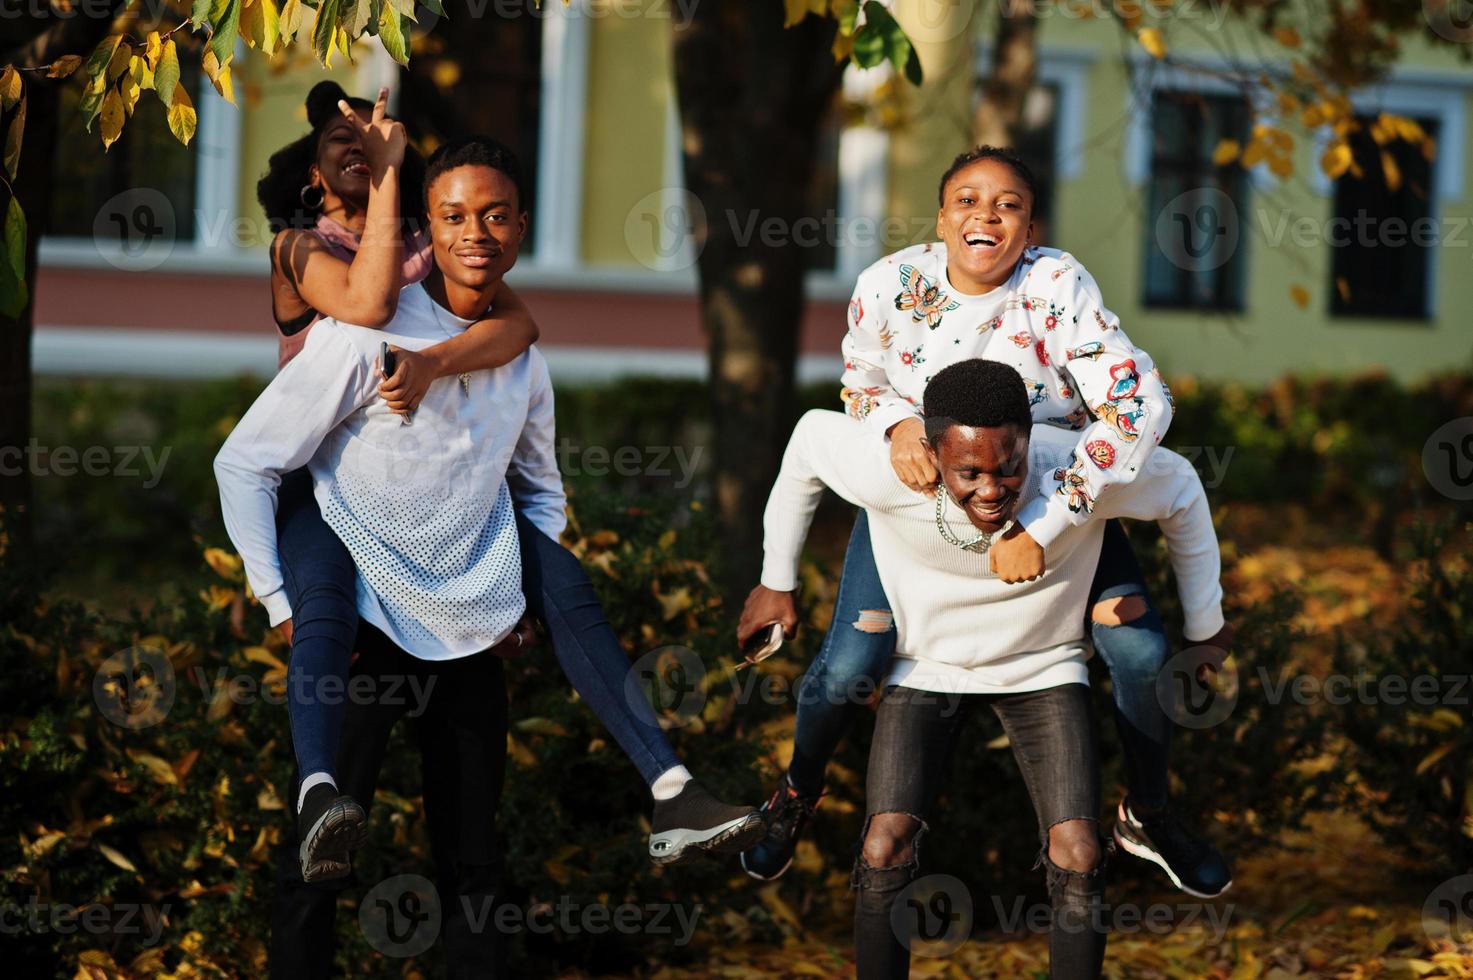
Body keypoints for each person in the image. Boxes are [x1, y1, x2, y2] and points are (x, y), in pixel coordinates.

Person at [219, 136, 761, 946]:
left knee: (475, 855)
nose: (477, 232)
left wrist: (516, 591)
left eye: (495, 216)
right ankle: (317, 793)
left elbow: (542, 490)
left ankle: (674, 789)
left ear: (520, 228)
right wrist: (274, 597)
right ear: (426, 232)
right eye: (454, 216)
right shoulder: (365, 332)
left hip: (465, 619)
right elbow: (245, 462)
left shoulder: (518, 353)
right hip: (363, 611)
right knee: (320, 858)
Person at [739, 145, 1233, 899]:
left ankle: (1147, 812)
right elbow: (857, 383)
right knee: (847, 669)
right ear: (940, 219)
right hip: (922, 503)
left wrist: (1053, 522)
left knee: (1137, 654)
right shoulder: (887, 286)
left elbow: (1141, 408)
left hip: (1056, 489)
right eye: (966, 201)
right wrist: (895, 428)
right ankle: (796, 795)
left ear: (1030, 227)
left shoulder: (1055, 285)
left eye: (1007, 205)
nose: (985, 215)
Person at [740, 359, 1230, 978]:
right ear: (931, 452)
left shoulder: (1070, 468)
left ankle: (1150, 820)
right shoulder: (887, 470)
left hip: (1043, 668)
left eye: (1009, 466)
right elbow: (809, 438)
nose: (992, 489)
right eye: (967, 472)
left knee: (1078, 852)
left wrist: (1206, 625)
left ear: (1031, 442)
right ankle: (793, 799)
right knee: (882, 843)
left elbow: (1182, 486)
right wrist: (775, 579)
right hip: (924, 666)